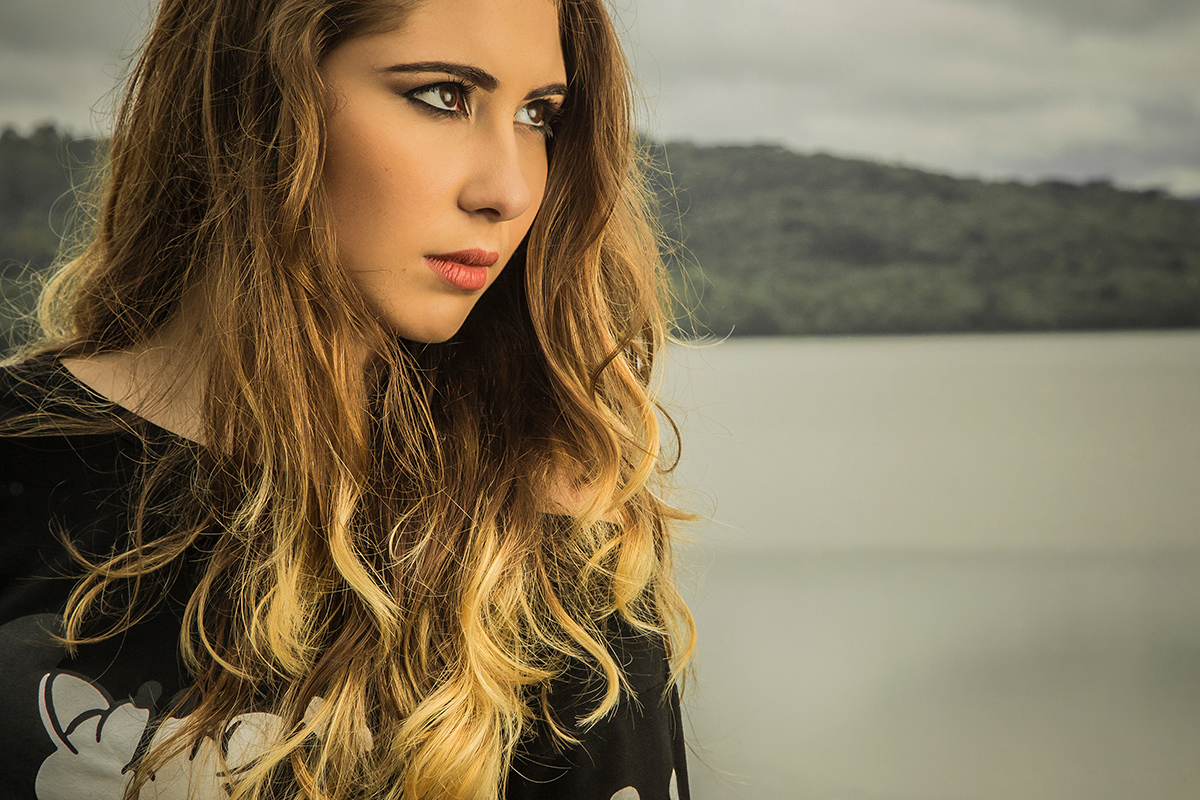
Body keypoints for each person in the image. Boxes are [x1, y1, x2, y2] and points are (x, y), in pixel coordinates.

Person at [0, 0, 694, 798]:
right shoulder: (20, 455)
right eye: (443, 96)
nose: (508, 189)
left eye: (540, 116)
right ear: (257, 96)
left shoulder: (555, 530)